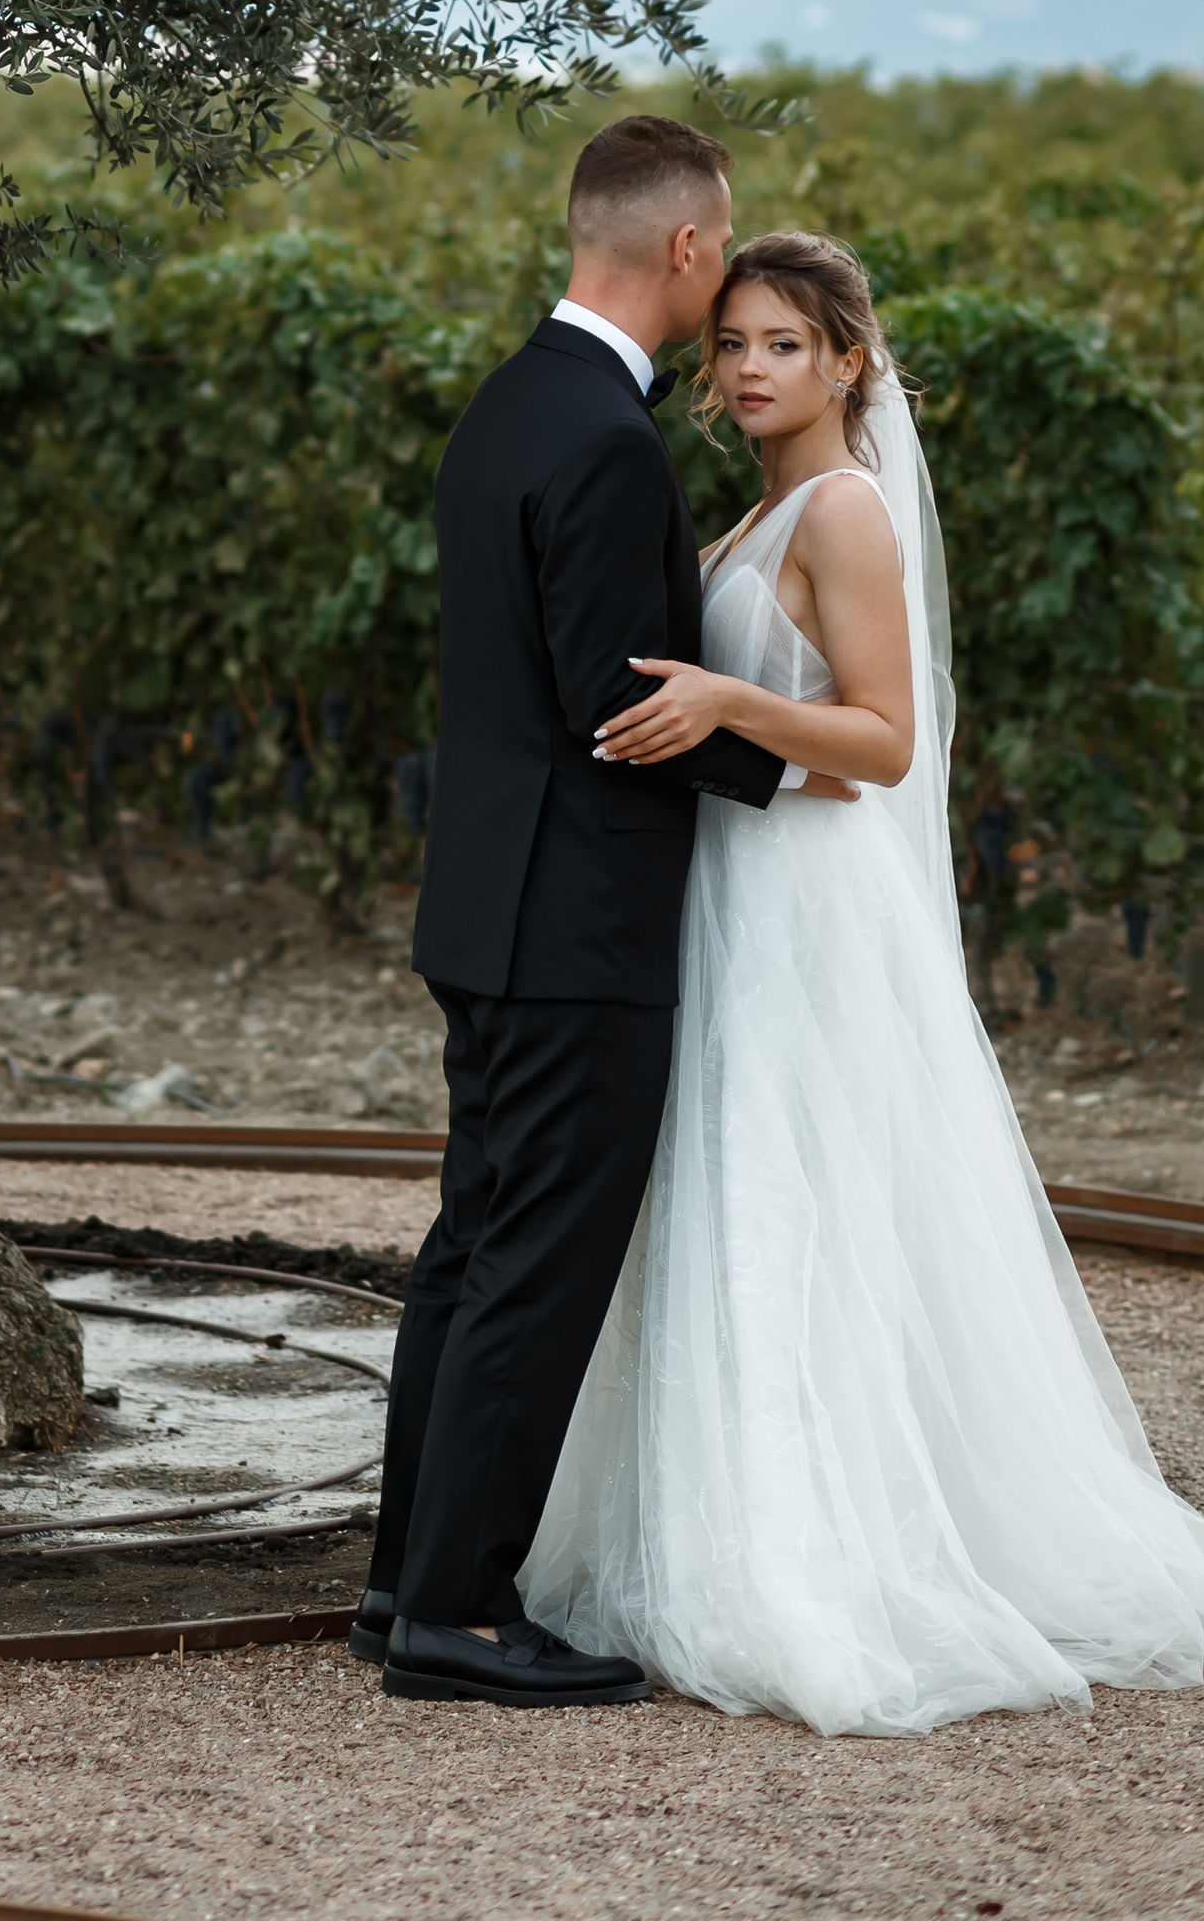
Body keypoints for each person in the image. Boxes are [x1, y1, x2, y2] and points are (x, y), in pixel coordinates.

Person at [523, 230, 1204, 1733]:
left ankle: (823, 1542)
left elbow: (888, 742)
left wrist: (725, 699)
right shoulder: (758, 507)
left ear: (850, 360)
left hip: (803, 902)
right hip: (736, 888)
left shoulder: (841, 512)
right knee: (737, 1184)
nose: (745, 369)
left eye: (782, 344)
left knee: (803, 1190)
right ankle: (725, 1507)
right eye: (730, 344)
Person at [358, 113, 796, 1710]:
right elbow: (627, 707)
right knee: (534, 1266)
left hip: (490, 902)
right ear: (685, 249)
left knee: (472, 1252)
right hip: (574, 928)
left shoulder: (506, 405)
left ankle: (406, 1579)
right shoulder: (607, 440)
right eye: (720, 250)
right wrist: (821, 760)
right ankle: (458, 1618)